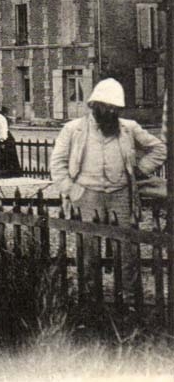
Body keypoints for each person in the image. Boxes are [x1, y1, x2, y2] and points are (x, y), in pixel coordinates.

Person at [50, 78, 165, 298]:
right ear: (94, 105)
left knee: (127, 249)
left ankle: (130, 298)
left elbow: (158, 149)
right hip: (86, 196)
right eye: (107, 107)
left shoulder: (128, 128)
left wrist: (140, 170)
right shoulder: (73, 129)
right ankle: (90, 298)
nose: (111, 112)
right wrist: (74, 191)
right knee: (88, 250)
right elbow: (57, 164)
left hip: (120, 196)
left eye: (115, 108)